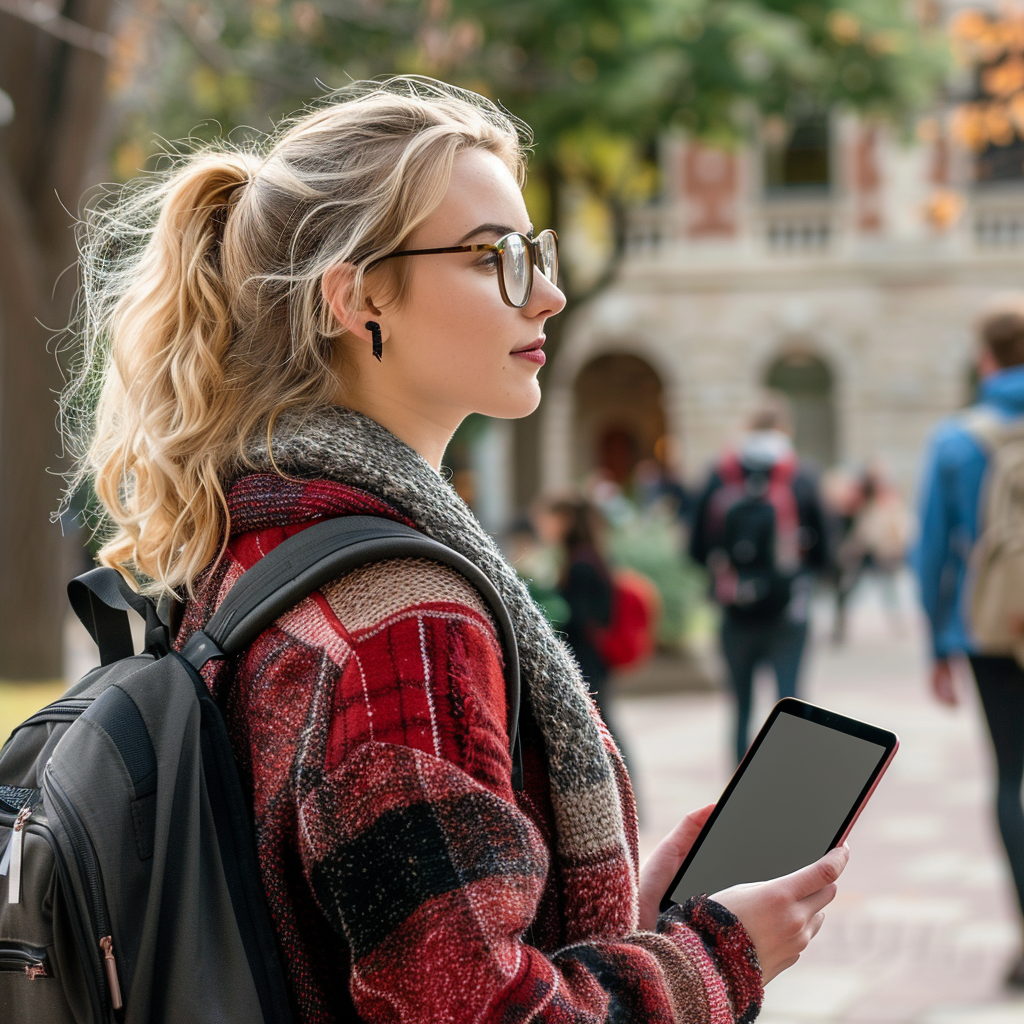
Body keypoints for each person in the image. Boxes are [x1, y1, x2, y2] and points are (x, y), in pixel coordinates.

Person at [65, 78, 846, 1023]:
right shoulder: (405, 614)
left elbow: (388, 948)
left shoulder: (260, 534)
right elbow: (472, 1010)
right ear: (357, 297)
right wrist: (716, 958)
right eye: (494, 259)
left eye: (537, 252)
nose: (548, 293)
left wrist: (628, 922)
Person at [915, 298, 1024, 988]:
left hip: (990, 629)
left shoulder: (959, 440)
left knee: (1011, 778)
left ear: (986, 360)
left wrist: (937, 644)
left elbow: (932, 556)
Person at [690, 395, 828, 765]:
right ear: (786, 429)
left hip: (735, 610)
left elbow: (695, 546)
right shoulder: (802, 474)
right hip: (789, 610)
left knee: (740, 706)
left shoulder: (720, 473)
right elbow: (826, 549)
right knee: (791, 701)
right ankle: (788, 782)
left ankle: (736, 791)